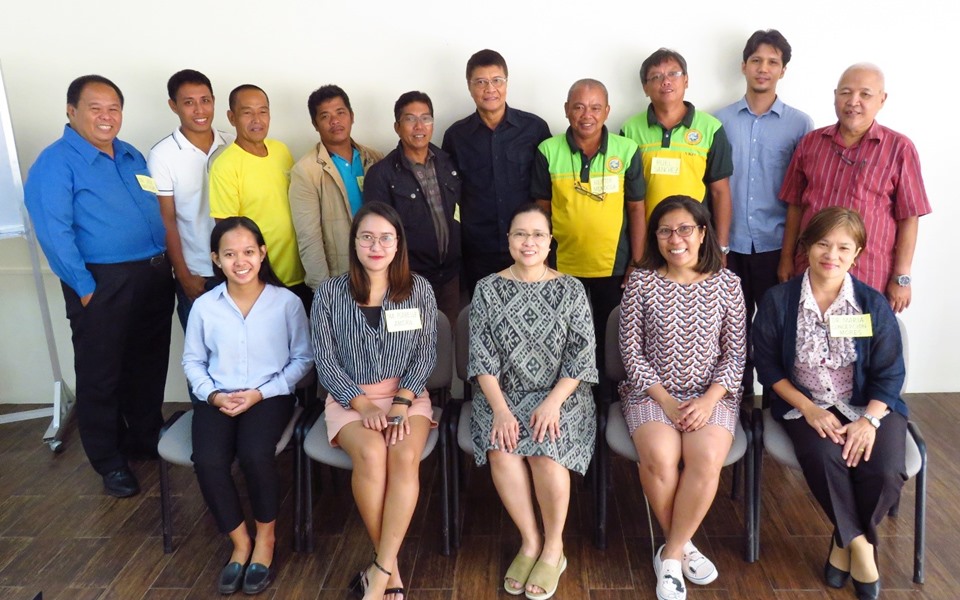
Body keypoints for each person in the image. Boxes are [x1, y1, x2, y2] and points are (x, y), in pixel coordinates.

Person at [24, 75, 174, 498]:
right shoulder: (55, 163)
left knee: (147, 364)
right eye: (96, 108)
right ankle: (109, 461)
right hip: (102, 282)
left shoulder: (130, 155)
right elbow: (54, 232)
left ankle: (145, 438)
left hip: (151, 276)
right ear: (71, 111)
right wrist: (85, 287)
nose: (106, 117)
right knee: (101, 373)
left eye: (114, 108)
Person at [754, 207, 907, 600]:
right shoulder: (778, 301)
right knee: (825, 457)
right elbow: (767, 366)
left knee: (887, 469)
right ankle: (863, 551)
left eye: (843, 247)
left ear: (858, 253)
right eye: (823, 243)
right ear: (806, 246)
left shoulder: (872, 304)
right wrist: (808, 408)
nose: (832, 255)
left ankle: (845, 542)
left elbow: (890, 373)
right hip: (805, 404)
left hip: (867, 405)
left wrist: (868, 421)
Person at [618, 195, 746, 600]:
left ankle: (670, 553)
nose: (676, 239)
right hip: (650, 393)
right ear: (655, 237)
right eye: (665, 230)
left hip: (713, 395)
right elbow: (630, 352)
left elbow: (735, 352)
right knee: (660, 456)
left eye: (685, 229)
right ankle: (685, 547)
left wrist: (709, 399)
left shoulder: (728, 283)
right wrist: (667, 401)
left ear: (703, 232)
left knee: (706, 458)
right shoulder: (640, 280)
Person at [469, 204, 598, 600]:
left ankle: (554, 547)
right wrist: (502, 410)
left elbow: (582, 354)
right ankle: (529, 541)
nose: (529, 242)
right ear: (508, 240)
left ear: (550, 241)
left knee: (545, 449)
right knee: (502, 449)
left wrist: (554, 402)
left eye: (538, 235)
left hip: (564, 394)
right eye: (520, 234)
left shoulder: (571, 288)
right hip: (501, 394)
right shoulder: (487, 288)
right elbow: (481, 356)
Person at [311, 202, 438, 600]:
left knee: (401, 454)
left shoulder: (418, 289)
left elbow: (427, 352)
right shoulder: (330, 293)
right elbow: (325, 358)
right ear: (354, 243)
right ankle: (392, 569)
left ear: (398, 244)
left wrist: (401, 401)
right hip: (350, 399)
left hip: (407, 395)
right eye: (367, 237)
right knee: (370, 453)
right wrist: (360, 403)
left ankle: (380, 570)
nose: (376, 246)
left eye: (386, 238)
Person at [182, 217, 312, 595]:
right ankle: (239, 542)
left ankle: (266, 540)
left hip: (268, 396)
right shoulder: (205, 306)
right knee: (207, 459)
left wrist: (261, 392)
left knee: (255, 454)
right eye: (230, 254)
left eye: (249, 252)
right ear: (216, 259)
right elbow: (193, 361)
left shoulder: (286, 302)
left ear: (263, 254)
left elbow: (303, 360)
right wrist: (212, 394)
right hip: (218, 395)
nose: (241, 261)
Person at [778, 63, 931, 313]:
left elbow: (909, 216)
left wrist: (902, 277)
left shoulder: (899, 148)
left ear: (882, 99)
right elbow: (794, 205)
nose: (853, 101)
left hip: (869, 273)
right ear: (835, 96)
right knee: (807, 341)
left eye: (865, 94)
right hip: (810, 269)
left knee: (859, 346)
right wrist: (785, 259)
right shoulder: (811, 143)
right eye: (846, 92)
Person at [714, 30, 814, 405]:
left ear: (783, 70)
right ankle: (732, 410)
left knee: (776, 332)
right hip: (728, 246)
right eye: (756, 60)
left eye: (773, 62)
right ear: (743, 66)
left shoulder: (800, 124)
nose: (763, 68)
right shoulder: (717, 122)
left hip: (776, 246)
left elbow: (802, 195)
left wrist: (790, 255)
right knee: (729, 333)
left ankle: (776, 411)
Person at [531, 78, 644, 404]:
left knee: (611, 341)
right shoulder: (548, 151)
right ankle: (573, 403)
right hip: (564, 267)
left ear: (607, 111)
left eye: (595, 107)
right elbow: (542, 211)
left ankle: (609, 405)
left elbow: (637, 208)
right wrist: (543, 264)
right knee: (570, 340)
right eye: (578, 106)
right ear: (567, 110)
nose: (587, 114)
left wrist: (636, 261)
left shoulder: (627, 150)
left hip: (615, 265)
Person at [441, 49, 551, 294]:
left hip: (528, 247)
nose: (489, 89)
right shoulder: (456, 136)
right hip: (478, 248)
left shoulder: (534, 128)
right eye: (480, 82)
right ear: (469, 87)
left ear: (506, 83)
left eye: (496, 81)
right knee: (482, 319)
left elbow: (548, 188)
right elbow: (451, 196)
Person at [363, 91, 461, 326]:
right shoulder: (382, 175)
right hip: (407, 281)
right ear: (397, 126)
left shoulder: (448, 163)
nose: (419, 126)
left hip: (450, 278)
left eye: (426, 118)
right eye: (410, 119)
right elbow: (378, 234)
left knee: (447, 342)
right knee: (410, 346)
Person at [208, 84, 310, 309]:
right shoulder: (225, 165)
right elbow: (227, 232)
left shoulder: (281, 150)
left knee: (302, 342)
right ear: (232, 117)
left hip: (300, 271)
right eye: (247, 112)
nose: (257, 119)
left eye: (263, 111)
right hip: (262, 279)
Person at [621, 48, 733, 253]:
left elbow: (720, 191)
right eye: (656, 76)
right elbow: (627, 197)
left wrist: (722, 246)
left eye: (673, 73)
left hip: (695, 239)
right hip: (649, 239)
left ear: (686, 80)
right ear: (645, 88)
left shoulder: (710, 128)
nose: (665, 81)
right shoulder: (630, 130)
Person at [148, 69, 233, 330]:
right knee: (204, 359)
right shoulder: (162, 155)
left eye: (205, 100)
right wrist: (183, 274)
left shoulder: (232, 144)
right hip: (198, 273)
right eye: (189, 102)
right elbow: (167, 220)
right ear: (173, 106)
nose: (199, 110)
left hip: (238, 268)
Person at [289, 84, 383, 290]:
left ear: (352, 115)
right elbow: (309, 239)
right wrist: (324, 291)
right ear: (315, 124)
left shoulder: (375, 159)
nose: (335, 121)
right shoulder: (306, 171)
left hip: (381, 271)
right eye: (325, 116)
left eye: (340, 112)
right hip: (341, 277)